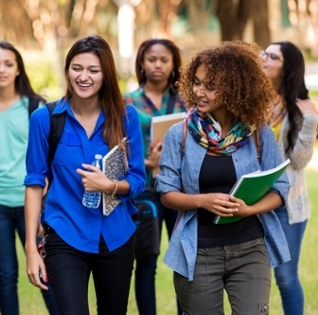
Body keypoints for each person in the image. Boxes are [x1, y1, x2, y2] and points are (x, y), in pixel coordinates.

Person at [156, 41, 291, 314]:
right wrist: (202, 201)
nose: (199, 92)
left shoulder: (258, 133)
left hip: (250, 249)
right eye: (196, 83)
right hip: (199, 252)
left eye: (210, 86)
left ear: (234, 88)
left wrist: (249, 208)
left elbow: (280, 188)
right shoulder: (179, 135)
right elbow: (167, 195)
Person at [24, 35, 146, 315]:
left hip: (117, 235)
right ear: (67, 70)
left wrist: (111, 185)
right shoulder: (45, 119)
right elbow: (33, 183)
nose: (84, 76)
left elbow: (139, 179)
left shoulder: (126, 116)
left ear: (106, 74)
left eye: (93, 70)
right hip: (64, 234)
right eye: (77, 68)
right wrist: (31, 248)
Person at [0, 41, 59, 315]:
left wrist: (46, 201)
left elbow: (53, 156)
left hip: (32, 202)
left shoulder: (36, 107)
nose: (1, 70)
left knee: (45, 270)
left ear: (18, 69)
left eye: (8, 64)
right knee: (5, 275)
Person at [123, 38, 184, 315]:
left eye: (164, 60)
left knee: (184, 258)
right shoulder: (128, 103)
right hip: (144, 190)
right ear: (142, 64)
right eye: (151, 59)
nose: (157, 65)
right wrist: (148, 162)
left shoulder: (186, 101)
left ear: (173, 65)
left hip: (181, 190)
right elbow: (119, 149)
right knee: (145, 259)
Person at [262, 41, 318, 315]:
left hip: (287, 205)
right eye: (264, 53)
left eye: (272, 56)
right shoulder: (254, 100)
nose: (264, 58)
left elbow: (298, 162)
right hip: (251, 202)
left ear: (287, 67)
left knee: (285, 277)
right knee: (255, 279)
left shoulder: (301, 108)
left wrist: (310, 123)